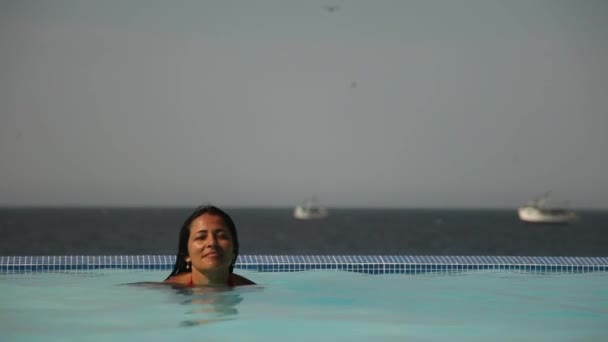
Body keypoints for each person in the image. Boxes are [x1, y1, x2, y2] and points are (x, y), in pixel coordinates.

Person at [165, 205, 255, 287]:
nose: (212, 242)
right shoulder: (168, 291)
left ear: (234, 250)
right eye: (201, 237)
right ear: (186, 254)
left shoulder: (251, 291)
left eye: (221, 236)